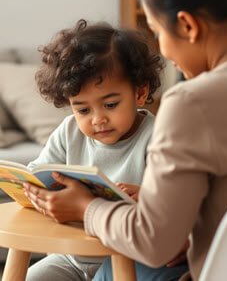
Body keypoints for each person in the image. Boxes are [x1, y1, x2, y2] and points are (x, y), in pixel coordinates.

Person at [24, 0, 227, 279]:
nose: (165, 52)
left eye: (157, 32)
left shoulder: (192, 104)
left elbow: (155, 241)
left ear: (187, 25)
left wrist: (87, 207)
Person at [24, 20, 189, 281]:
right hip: (72, 256)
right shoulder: (69, 132)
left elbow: (175, 206)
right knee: (33, 277)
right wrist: (35, 190)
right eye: (83, 110)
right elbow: (38, 173)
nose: (97, 119)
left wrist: (145, 197)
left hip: (128, 255)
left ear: (140, 92)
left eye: (110, 104)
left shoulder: (158, 137)